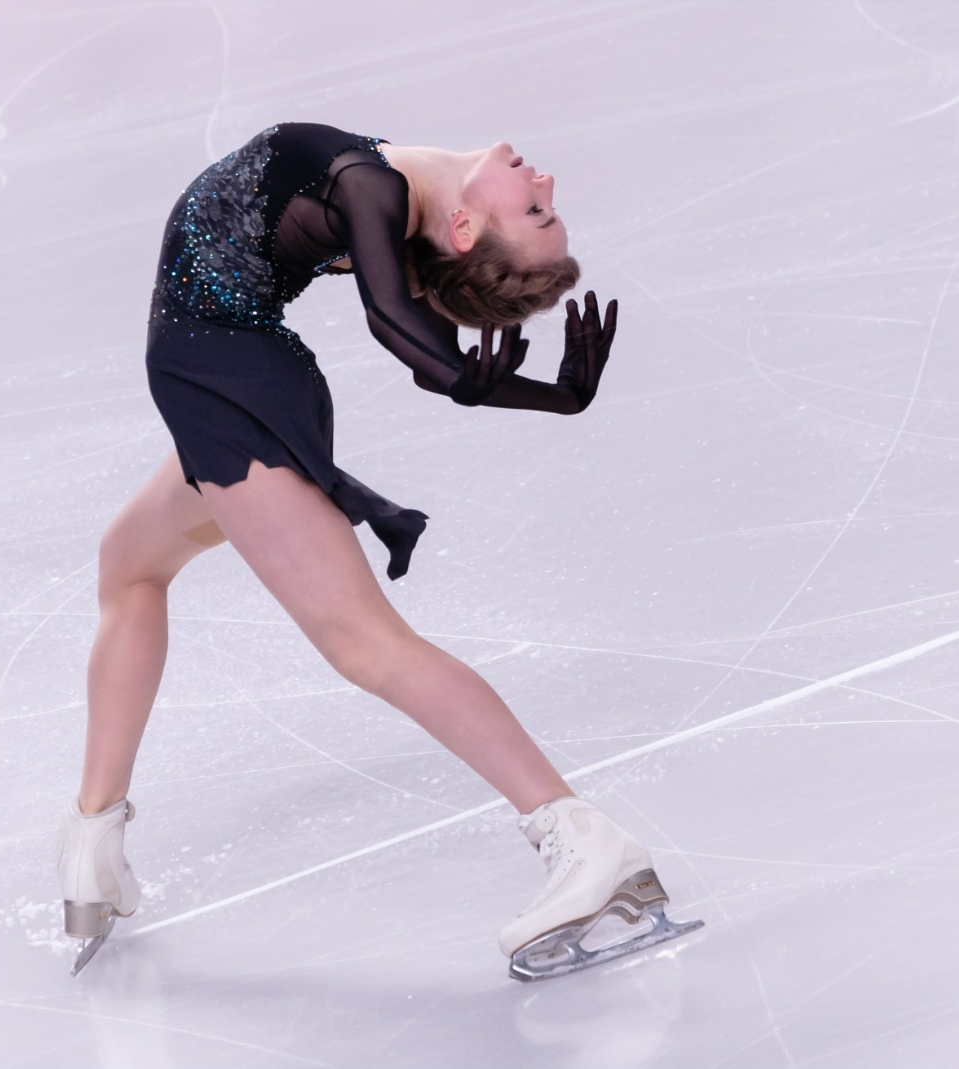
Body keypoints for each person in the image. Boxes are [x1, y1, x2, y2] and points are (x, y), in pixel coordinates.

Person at [56, 123, 701, 979]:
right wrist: (533, 392)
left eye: (536, 210)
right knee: (130, 566)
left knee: (365, 643)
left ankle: (584, 841)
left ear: (467, 227)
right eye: (544, 208)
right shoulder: (402, 201)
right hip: (225, 382)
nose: (544, 182)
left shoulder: (373, 186)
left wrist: (498, 386)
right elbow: (418, 337)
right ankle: (92, 843)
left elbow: (394, 322)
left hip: (228, 389)